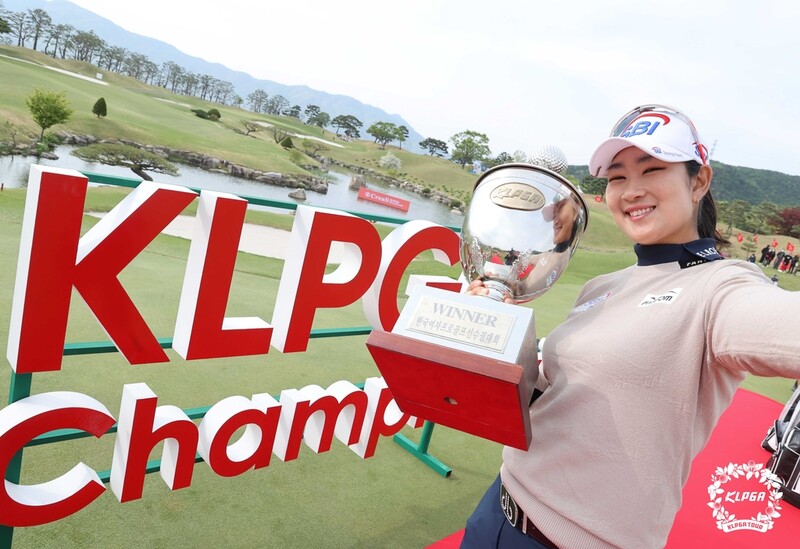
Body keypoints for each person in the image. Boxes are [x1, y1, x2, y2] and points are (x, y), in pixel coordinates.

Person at [459, 104, 800, 549]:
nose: (631, 190)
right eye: (617, 176)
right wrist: (495, 331)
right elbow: (550, 396)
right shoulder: (604, 285)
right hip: (498, 507)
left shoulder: (722, 286)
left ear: (698, 181)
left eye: (653, 169)